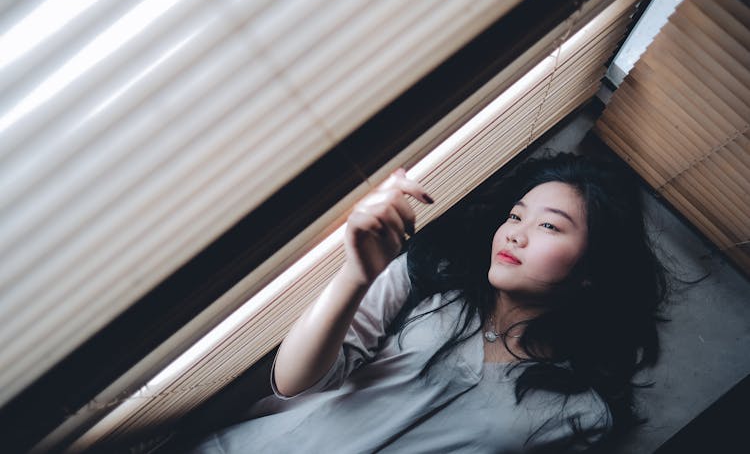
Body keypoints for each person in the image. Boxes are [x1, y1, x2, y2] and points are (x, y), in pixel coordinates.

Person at [188, 152, 669, 453]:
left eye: (549, 226)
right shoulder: (427, 279)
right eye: (515, 214)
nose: (516, 233)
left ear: (592, 270)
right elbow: (293, 383)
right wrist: (356, 275)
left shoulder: (582, 412)